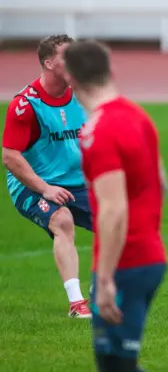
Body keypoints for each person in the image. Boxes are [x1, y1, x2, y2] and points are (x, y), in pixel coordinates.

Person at [64, 40, 168, 372]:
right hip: (148, 255)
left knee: (117, 365)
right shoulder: (137, 115)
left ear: (72, 81)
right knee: (114, 362)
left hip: (126, 263)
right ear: (110, 70)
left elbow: (113, 209)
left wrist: (105, 279)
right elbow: (162, 183)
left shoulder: (97, 130)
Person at [1, 34, 92, 318]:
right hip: (33, 185)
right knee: (62, 221)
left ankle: (101, 292)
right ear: (49, 63)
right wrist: (45, 189)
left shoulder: (84, 92)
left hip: (77, 182)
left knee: (120, 223)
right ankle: (77, 304)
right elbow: (10, 156)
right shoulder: (25, 105)